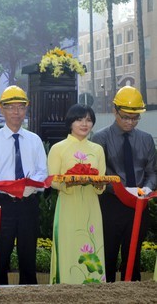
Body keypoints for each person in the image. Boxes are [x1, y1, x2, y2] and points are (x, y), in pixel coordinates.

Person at [0, 85, 48, 285]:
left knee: (28, 256)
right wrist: (9, 187)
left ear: (26, 109)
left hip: (28, 204)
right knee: (0, 256)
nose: (16, 112)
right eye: (11, 107)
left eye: (21, 107)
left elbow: (43, 172)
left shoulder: (35, 141)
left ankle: (30, 295)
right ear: (1, 109)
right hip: (2, 204)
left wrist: (29, 188)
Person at [91, 86, 156, 282]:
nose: (130, 122)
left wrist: (147, 187)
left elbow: (153, 171)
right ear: (115, 111)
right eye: (126, 117)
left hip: (139, 205)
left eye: (135, 118)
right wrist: (120, 189)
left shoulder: (145, 139)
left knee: (133, 256)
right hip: (111, 204)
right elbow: (98, 176)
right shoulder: (100, 138)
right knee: (108, 254)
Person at [48, 104, 106, 284]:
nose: (84, 124)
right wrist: (70, 183)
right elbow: (52, 180)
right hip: (68, 204)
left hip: (91, 206)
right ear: (70, 122)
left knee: (92, 244)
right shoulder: (58, 148)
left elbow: (102, 182)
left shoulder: (97, 149)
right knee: (68, 247)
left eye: (89, 120)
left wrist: (97, 184)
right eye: (79, 119)